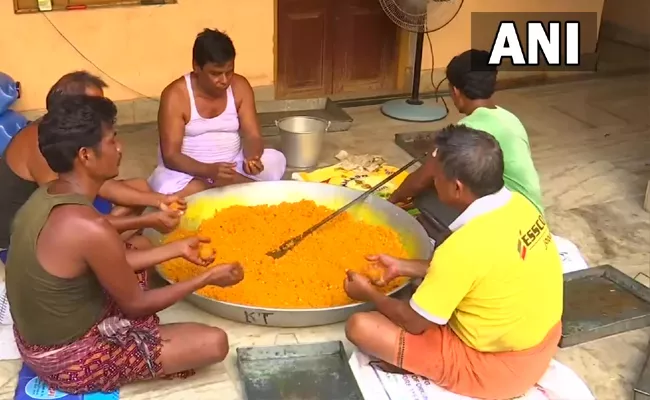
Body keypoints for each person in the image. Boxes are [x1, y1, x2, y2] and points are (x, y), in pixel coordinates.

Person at [6, 95, 245, 394]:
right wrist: (207, 278)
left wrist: (177, 248)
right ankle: (119, 360)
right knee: (212, 343)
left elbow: (107, 257)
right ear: (85, 155)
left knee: (141, 245)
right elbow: (136, 305)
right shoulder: (87, 225)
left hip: (35, 338)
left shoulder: (47, 196)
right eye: (111, 141)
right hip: (67, 360)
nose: (120, 148)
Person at [344, 125, 563, 399]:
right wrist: (404, 266)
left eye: (436, 178)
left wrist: (368, 293)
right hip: (544, 340)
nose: (433, 184)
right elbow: (484, 268)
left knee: (362, 327)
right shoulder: (521, 205)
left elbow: (414, 323)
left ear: (457, 187)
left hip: (498, 370)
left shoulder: (463, 247)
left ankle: (424, 367)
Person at [0, 71, 185, 262]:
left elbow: (99, 185)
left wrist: (158, 200)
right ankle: (101, 255)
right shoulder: (40, 145)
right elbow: (70, 214)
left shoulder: (66, 136)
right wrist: (148, 220)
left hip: (64, 214)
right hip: (24, 244)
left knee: (141, 189)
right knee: (140, 245)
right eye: (95, 108)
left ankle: (107, 248)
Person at [389, 49, 544, 215]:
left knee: (428, 198)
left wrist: (392, 200)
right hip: (534, 214)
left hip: (509, 220)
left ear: (455, 91)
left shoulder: (467, 132)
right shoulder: (509, 118)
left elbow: (421, 180)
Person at [148, 28, 286, 197]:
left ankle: (228, 186)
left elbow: (253, 135)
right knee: (167, 187)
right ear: (196, 66)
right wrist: (208, 171)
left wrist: (252, 158)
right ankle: (239, 187)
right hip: (189, 173)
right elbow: (171, 156)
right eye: (215, 73)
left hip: (233, 166)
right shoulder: (176, 95)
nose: (224, 80)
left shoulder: (240, 86)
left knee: (275, 160)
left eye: (229, 72)